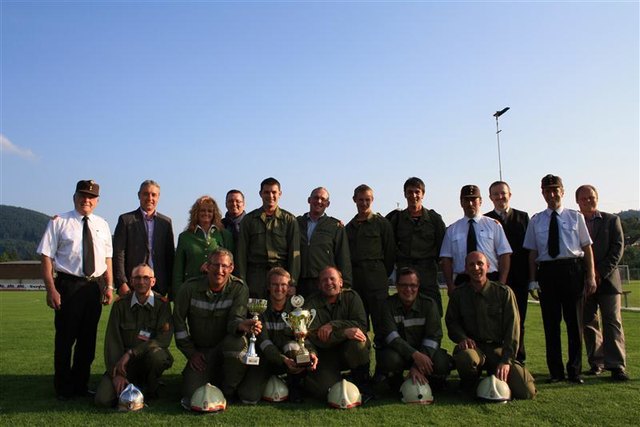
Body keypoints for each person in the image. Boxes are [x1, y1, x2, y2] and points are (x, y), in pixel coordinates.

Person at [37, 179, 114, 400]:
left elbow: (107, 259)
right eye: (82, 195)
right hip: (68, 286)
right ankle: (63, 388)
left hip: (94, 287)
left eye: (91, 197)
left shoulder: (103, 224)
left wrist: (108, 285)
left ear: (97, 201)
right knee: (65, 340)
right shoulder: (59, 222)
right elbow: (46, 257)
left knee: (87, 341)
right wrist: (51, 288)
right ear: (74, 197)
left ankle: (80, 385)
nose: (86, 200)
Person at [524, 174, 596, 384]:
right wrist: (533, 280)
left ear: (563, 192)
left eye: (555, 190)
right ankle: (556, 372)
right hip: (547, 273)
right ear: (543, 194)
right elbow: (532, 253)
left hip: (572, 270)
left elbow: (586, 248)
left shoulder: (575, 217)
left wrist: (590, 275)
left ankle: (574, 371)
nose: (552, 194)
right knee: (551, 325)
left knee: (574, 324)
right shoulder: (536, 220)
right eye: (548, 190)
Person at [445, 251, 536, 400]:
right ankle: (469, 386)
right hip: (474, 349)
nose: (476, 268)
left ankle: (497, 376)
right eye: (471, 264)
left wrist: (506, 361)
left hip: (498, 350)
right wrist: (462, 338)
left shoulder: (504, 293)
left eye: (480, 263)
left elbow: (513, 329)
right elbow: (451, 322)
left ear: (488, 266)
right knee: (466, 358)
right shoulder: (459, 295)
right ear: (466, 269)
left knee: (526, 391)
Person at [173, 248, 259, 403]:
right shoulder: (189, 288)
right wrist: (191, 353)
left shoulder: (239, 288)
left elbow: (235, 319)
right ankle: (211, 377)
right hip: (201, 352)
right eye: (215, 265)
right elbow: (178, 324)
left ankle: (228, 390)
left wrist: (241, 325)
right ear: (207, 266)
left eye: (224, 266)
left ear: (231, 268)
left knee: (237, 343)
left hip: (225, 347)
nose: (220, 270)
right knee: (191, 394)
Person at [95, 264, 174, 407]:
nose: (141, 282)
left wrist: (132, 353)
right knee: (103, 399)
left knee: (158, 356)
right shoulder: (120, 305)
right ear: (131, 281)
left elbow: (163, 339)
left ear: (153, 281)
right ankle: (129, 383)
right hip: (123, 364)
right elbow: (112, 341)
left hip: (147, 358)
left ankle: (150, 386)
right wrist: (116, 373)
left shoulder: (162, 305)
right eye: (137, 278)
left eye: (146, 278)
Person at [237, 267, 318, 404]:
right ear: (268, 287)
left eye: (283, 285)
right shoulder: (260, 309)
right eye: (275, 284)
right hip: (265, 357)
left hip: (289, 357)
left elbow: (304, 337)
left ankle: (295, 386)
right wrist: (283, 360)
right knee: (248, 397)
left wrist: (311, 353)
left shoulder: (296, 310)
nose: (279, 288)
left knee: (293, 347)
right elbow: (264, 343)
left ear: (289, 288)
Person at [576, 184, 629, 381]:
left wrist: (599, 273)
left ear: (597, 198)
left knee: (612, 321)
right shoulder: (574, 221)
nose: (588, 201)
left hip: (608, 281)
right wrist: (587, 275)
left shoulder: (611, 220)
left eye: (591, 197)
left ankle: (616, 365)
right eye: (584, 199)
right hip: (584, 282)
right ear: (578, 202)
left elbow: (617, 249)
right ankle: (596, 363)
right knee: (589, 323)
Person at [375, 267, 451, 393]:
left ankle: (433, 381)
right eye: (403, 285)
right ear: (397, 286)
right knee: (389, 360)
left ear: (418, 286)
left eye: (412, 285)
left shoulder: (429, 304)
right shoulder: (387, 305)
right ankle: (394, 382)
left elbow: (433, 337)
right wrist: (414, 355)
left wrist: (417, 366)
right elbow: (391, 337)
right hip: (399, 353)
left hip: (424, 353)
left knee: (441, 362)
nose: (408, 289)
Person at [304, 266, 372, 401]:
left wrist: (334, 325)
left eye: (332, 279)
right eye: (324, 280)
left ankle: (362, 383)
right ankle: (316, 379)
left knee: (359, 341)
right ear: (319, 285)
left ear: (341, 282)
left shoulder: (352, 297)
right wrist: (344, 333)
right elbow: (315, 336)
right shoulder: (311, 303)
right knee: (323, 391)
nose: (328, 282)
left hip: (348, 351)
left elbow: (361, 325)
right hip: (325, 355)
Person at [484, 181, 530, 363]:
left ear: (510, 195)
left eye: (503, 193)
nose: (499, 197)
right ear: (490, 198)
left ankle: (519, 359)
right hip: (495, 279)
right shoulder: (486, 220)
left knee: (519, 321)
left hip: (519, 278)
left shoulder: (523, 217)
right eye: (495, 194)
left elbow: (530, 250)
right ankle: (496, 359)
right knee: (496, 321)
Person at [386, 177, 446, 315]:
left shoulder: (433, 219)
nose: (413, 195)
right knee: (405, 312)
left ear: (423, 194)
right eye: (410, 192)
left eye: (417, 192)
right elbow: (390, 246)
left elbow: (442, 247)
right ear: (405, 194)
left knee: (433, 311)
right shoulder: (397, 219)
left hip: (428, 273)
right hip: (405, 270)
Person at [440, 184, 512, 295]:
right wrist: (450, 285)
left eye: (473, 199)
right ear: (461, 202)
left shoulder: (494, 225)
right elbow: (446, 259)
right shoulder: (452, 229)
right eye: (466, 200)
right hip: (463, 281)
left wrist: (501, 283)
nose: (470, 204)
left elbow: (504, 255)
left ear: (480, 201)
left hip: (490, 280)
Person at [346, 184, 395, 344]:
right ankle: (362, 366)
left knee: (382, 326)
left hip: (377, 282)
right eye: (361, 200)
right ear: (354, 200)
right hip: (356, 282)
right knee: (359, 326)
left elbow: (389, 254)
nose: (364, 203)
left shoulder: (382, 224)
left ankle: (384, 366)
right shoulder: (348, 228)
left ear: (372, 200)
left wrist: (380, 275)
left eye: (367, 200)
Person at [236, 177, 301, 298]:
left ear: (280, 194)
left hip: (281, 276)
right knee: (255, 313)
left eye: (274, 192)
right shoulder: (249, 220)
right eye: (266, 192)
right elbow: (241, 253)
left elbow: (294, 253)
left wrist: (292, 282)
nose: (270, 196)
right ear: (260, 194)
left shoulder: (289, 220)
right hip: (255, 277)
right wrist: (242, 281)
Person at [113, 180, 175, 297]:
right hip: (133, 283)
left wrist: (171, 284)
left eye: (153, 195)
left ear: (158, 197)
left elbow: (170, 255)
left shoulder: (166, 223)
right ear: (139, 195)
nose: (150, 198)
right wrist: (121, 282)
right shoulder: (125, 220)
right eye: (146, 194)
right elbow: (118, 254)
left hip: (159, 285)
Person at [172, 195, 234, 299]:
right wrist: (178, 294)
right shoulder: (185, 236)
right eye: (202, 210)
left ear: (214, 214)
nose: (206, 213)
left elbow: (231, 264)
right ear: (196, 212)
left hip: (219, 290)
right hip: (191, 289)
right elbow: (178, 270)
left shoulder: (225, 235)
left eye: (210, 211)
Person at [297, 187, 352, 298]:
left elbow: (343, 257)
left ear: (328, 204)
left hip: (324, 282)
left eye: (323, 199)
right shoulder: (296, 223)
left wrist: (346, 285)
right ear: (309, 200)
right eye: (316, 198)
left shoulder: (335, 226)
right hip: (300, 282)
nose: (319, 201)